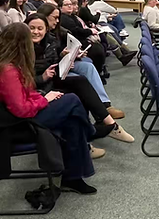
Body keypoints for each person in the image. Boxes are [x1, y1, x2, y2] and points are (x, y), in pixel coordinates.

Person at [0, 25, 97, 193]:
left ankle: (73, 177)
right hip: (14, 126)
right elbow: (21, 110)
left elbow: (27, 93)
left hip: (13, 118)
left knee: (72, 120)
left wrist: (42, 98)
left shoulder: (3, 63)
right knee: (71, 100)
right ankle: (91, 132)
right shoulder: (7, 71)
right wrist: (44, 101)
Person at [27, 14, 132, 142]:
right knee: (77, 92)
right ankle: (90, 136)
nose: (36, 32)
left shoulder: (49, 42)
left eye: (39, 28)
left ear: (45, 29)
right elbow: (21, 82)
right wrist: (42, 78)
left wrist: (66, 61)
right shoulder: (22, 48)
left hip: (49, 80)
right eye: (32, 28)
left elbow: (51, 66)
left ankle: (108, 123)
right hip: (37, 89)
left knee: (81, 81)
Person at [36, 3, 119, 112]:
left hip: (63, 63)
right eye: (55, 18)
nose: (57, 21)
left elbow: (59, 49)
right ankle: (101, 111)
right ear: (44, 16)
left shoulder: (58, 30)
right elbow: (48, 60)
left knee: (88, 66)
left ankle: (105, 104)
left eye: (58, 18)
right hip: (54, 69)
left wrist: (73, 54)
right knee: (81, 78)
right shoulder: (41, 36)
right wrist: (63, 57)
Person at [59, 0, 110, 78]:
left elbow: (82, 26)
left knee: (101, 42)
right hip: (76, 41)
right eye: (66, 5)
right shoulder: (63, 18)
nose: (69, 6)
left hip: (82, 38)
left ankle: (100, 70)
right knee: (98, 49)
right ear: (61, 8)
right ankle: (99, 71)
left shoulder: (72, 16)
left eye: (70, 4)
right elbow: (76, 31)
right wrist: (90, 31)